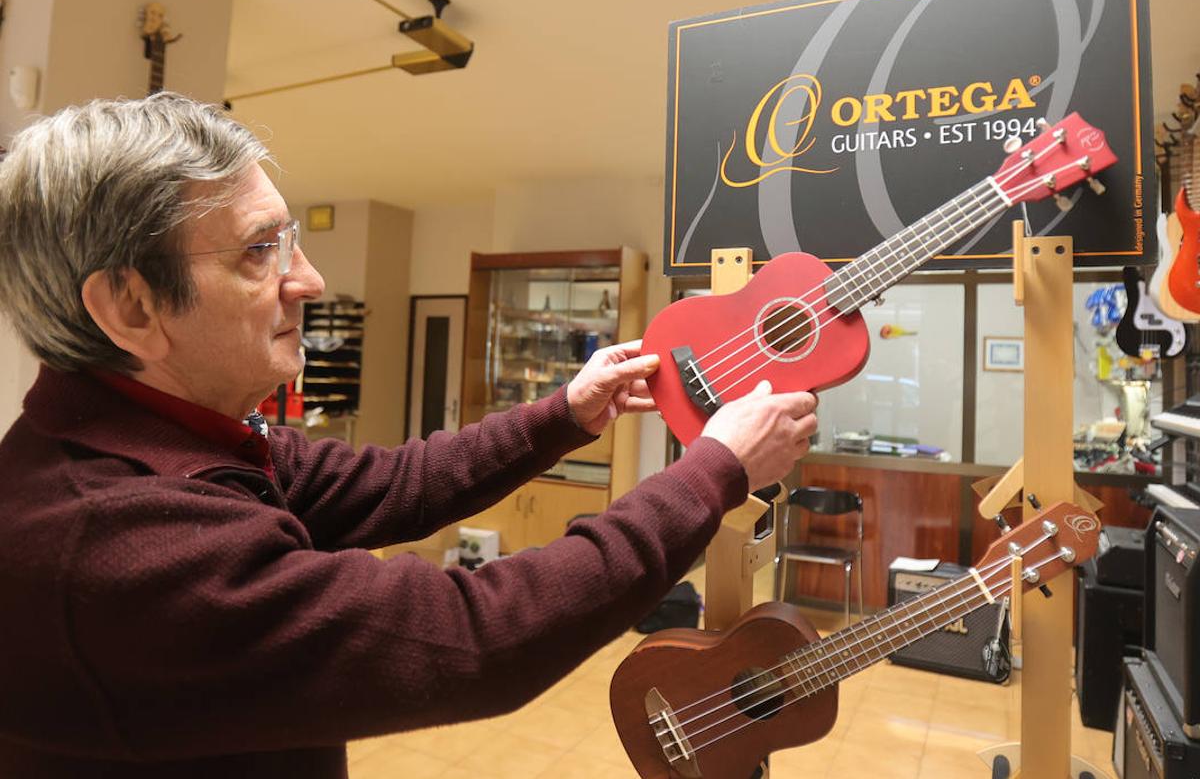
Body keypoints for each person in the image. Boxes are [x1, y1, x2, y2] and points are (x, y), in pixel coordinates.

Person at [0, 93, 818, 778]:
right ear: (132, 309)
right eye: (259, 252)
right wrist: (714, 472)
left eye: (288, 238)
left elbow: (397, 481)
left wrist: (564, 412)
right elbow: (476, 638)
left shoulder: (185, 440)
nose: (310, 280)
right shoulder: (112, 540)